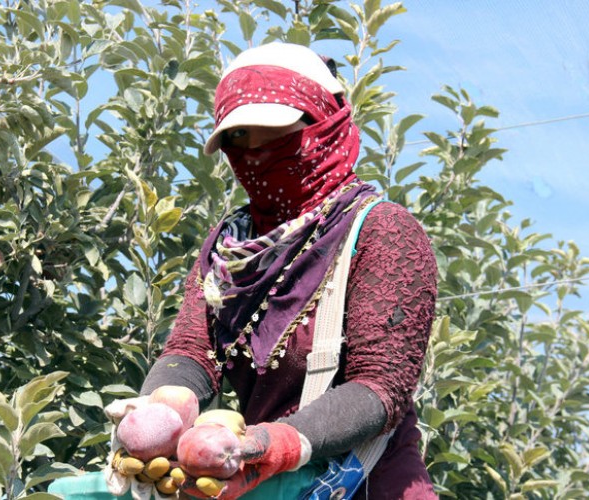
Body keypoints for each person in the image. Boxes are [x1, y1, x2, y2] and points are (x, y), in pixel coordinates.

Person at [107, 42, 438, 499]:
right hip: (261, 483)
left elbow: (382, 385)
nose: (256, 152)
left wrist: (275, 444)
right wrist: (165, 407)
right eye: (239, 137)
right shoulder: (229, 247)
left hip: (368, 485)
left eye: (275, 131)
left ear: (325, 125)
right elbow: (192, 350)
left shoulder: (382, 231)